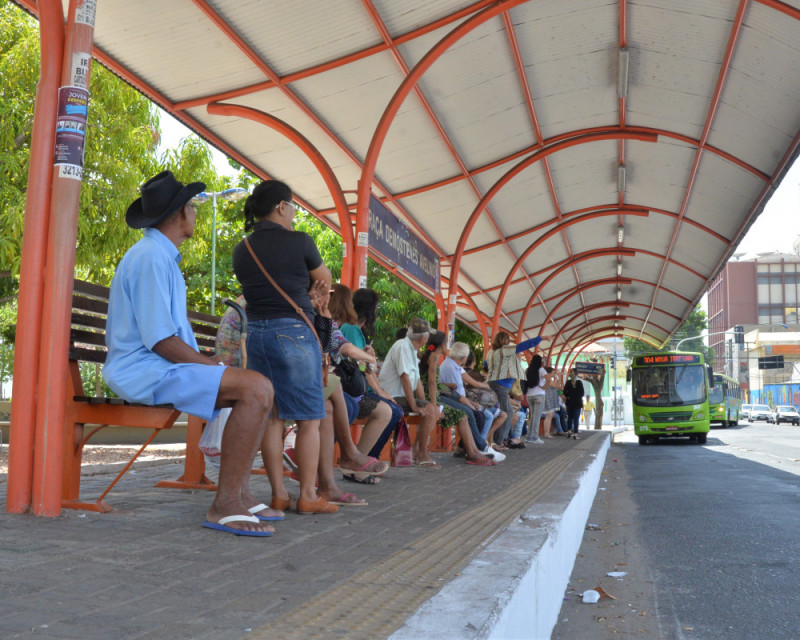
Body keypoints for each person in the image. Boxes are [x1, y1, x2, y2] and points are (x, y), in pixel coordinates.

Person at [104, 170, 274, 536]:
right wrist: (209, 365)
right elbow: (161, 341)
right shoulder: (151, 257)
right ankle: (224, 503)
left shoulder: (160, 256)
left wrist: (208, 366)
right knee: (256, 389)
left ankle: (238, 493)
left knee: (260, 388)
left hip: (158, 366)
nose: (195, 213)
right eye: (193, 206)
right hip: (143, 370)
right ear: (181, 213)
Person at [232, 179, 336, 515]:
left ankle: (278, 494)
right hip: (293, 331)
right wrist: (307, 291)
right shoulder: (301, 242)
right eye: (292, 206)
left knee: (273, 416)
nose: (293, 212)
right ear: (281, 206)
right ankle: (307, 495)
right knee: (309, 417)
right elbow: (325, 280)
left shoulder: (242, 248)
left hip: (256, 334)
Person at [335, 286, 404, 466]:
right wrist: (380, 391)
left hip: (350, 387)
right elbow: (362, 366)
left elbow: (364, 365)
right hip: (350, 389)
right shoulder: (351, 328)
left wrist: (368, 357)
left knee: (393, 410)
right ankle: (364, 460)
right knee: (391, 411)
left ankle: (362, 458)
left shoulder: (354, 330)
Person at [419, 334, 496, 466]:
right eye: (446, 343)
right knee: (464, 414)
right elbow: (431, 384)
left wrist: (445, 388)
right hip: (432, 398)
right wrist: (434, 405)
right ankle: (474, 452)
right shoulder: (434, 358)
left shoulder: (432, 357)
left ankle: (474, 451)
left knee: (464, 415)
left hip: (433, 396)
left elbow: (433, 383)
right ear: (442, 345)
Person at [377, 318, 441, 467]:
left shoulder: (411, 348)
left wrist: (426, 405)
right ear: (422, 338)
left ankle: (417, 451)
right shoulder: (403, 347)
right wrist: (415, 406)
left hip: (400, 396)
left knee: (432, 410)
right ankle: (421, 454)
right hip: (392, 396)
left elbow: (416, 380)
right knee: (431, 410)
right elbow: (405, 378)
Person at [485, 331, 542, 447]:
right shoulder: (505, 351)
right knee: (506, 413)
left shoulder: (491, 353)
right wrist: (539, 339)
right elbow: (523, 345)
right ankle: (498, 442)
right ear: (505, 341)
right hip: (501, 385)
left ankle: (501, 440)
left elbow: (485, 365)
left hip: (494, 384)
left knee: (503, 412)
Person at [524, 354, 546, 444]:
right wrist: (544, 387)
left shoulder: (527, 370)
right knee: (537, 417)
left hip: (529, 396)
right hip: (539, 395)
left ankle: (529, 436)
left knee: (533, 416)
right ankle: (535, 437)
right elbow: (548, 378)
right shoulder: (541, 370)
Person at [541, 366, 563, 438]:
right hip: (549, 399)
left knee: (550, 415)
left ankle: (547, 433)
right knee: (549, 416)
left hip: (550, 398)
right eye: (553, 373)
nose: (554, 374)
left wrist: (557, 379)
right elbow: (558, 386)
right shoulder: (548, 380)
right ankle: (546, 433)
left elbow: (557, 386)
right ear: (549, 373)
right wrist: (559, 378)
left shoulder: (549, 380)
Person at [562, 368, 584, 439]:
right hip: (577, 402)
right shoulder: (579, 382)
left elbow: (565, 392)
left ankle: (569, 432)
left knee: (570, 418)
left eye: (571, 372)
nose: (570, 373)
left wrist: (568, 396)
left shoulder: (568, 382)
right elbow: (582, 393)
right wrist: (576, 396)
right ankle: (575, 434)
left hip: (570, 402)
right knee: (576, 418)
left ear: (574, 373)